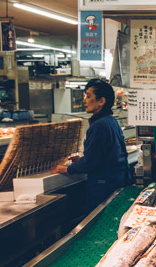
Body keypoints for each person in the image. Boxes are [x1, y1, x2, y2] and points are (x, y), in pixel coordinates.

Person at [55, 79, 132, 208]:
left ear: (101, 101)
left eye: (88, 96)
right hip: (116, 181)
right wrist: (80, 160)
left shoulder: (99, 125)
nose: (84, 100)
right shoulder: (110, 121)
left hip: (104, 186)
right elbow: (102, 155)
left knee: (98, 218)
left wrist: (66, 169)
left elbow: (91, 162)